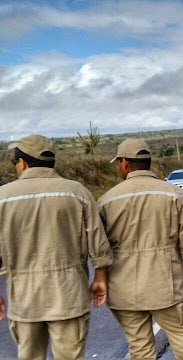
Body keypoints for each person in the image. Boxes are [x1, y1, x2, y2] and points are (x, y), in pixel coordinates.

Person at [0, 134, 113, 360]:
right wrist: (100, 276)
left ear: (23, 163)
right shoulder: (76, 192)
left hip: (24, 299)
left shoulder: (3, 197)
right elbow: (98, 242)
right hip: (69, 294)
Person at [98, 139, 183, 360]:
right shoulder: (174, 194)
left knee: (139, 345)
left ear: (125, 163)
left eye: (119, 163)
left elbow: (99, 248)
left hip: (123, 288)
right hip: (166, 284)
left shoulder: (107, 200)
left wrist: (100, 278)